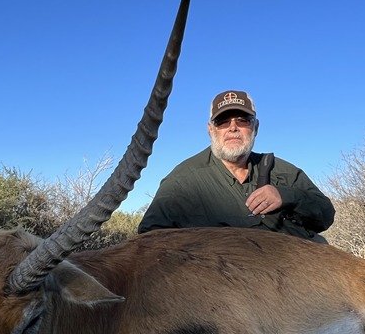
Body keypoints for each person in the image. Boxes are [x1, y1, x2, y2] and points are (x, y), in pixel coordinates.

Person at [138, 90, 335, 241]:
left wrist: (286, 196)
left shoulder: (283, 172)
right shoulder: (183, 180)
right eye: (222, 121)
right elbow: (148, 238)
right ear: (210, 130)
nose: (233, 128)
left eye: (243, 120)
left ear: (255, 127)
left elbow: (326, 215)